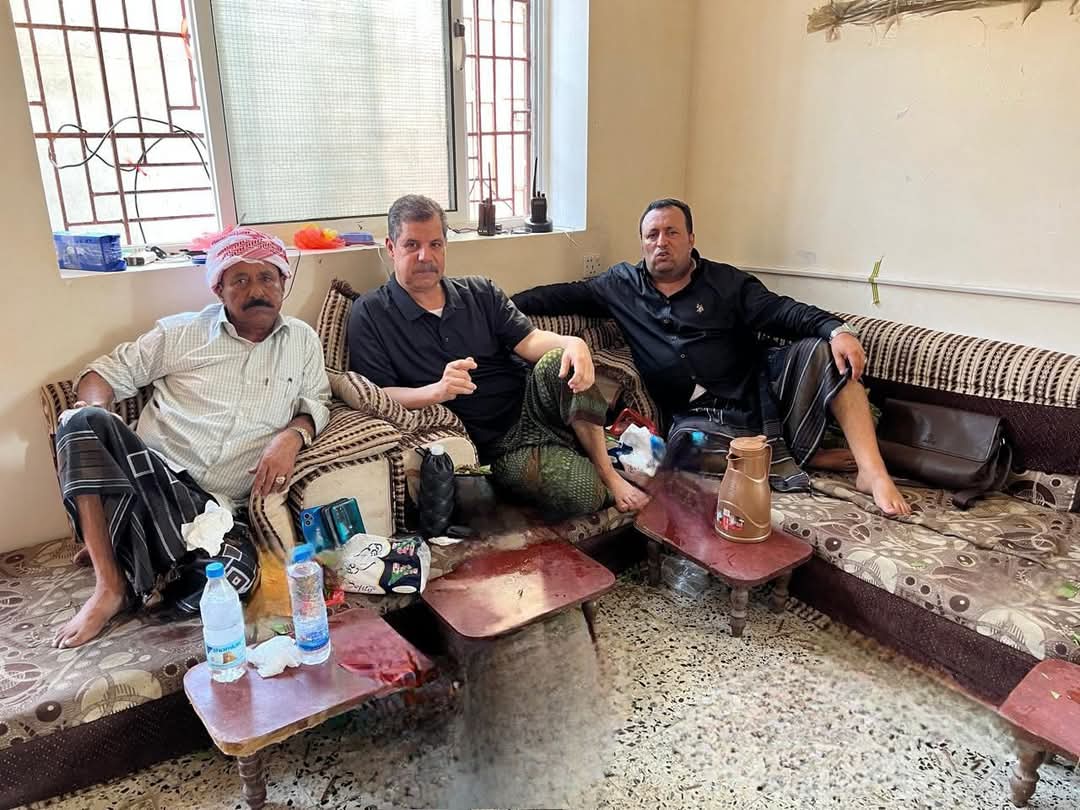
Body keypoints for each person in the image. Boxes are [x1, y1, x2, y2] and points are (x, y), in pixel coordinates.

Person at [512, 198, 911, 516]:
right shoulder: (620, 285)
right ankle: (796, 453)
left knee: (826, 352)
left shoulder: (726, 282)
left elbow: (782, 311)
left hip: (758, 390)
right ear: (642, 243)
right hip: (696, 416)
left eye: (671, 232)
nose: (661, 242)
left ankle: (872, 473)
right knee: (682, 452)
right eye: (652, 235)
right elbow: (558, 295)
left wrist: (838, 330)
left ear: (690, 238)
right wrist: (501, 308)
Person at [52, 227, 332, 648]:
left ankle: (129, 550)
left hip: (214, 508)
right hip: (154, 480)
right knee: (80, 420)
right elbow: (101, 374)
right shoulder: (180, 333)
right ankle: (110, 586)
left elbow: (318, 402)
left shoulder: (303, 341)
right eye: (240, 280)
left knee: (236, 578)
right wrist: (98, 412)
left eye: (267, 277)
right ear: (219, 289)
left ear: (283, 283)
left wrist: (293, 435)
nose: (256, 290)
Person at [347, 194, 649, 518]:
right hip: (500, 446)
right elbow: (378, 394)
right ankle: (588, 454)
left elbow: (530, 340)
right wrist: (436, 391)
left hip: (533, 404)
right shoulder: (371, 313)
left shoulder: (479, 292)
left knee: (560, 359)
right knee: (582, 493)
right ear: (391, 247)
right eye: (412, 245)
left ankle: (607, 470)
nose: (425, 256)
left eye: (435, 244)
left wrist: (573, 343)